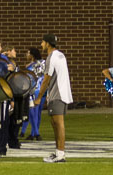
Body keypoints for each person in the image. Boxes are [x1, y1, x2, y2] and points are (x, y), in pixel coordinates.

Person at [40, 33, 72, 163]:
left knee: (58, 124)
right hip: (62, 93)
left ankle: (60, 155)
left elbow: (46, 79)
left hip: (57, 94)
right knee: (55, 124)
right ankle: (58, 152)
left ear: (47, 43)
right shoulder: (60, 54)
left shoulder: (51, 57)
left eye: (42, 42)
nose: (41, 44)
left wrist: (38, 98)